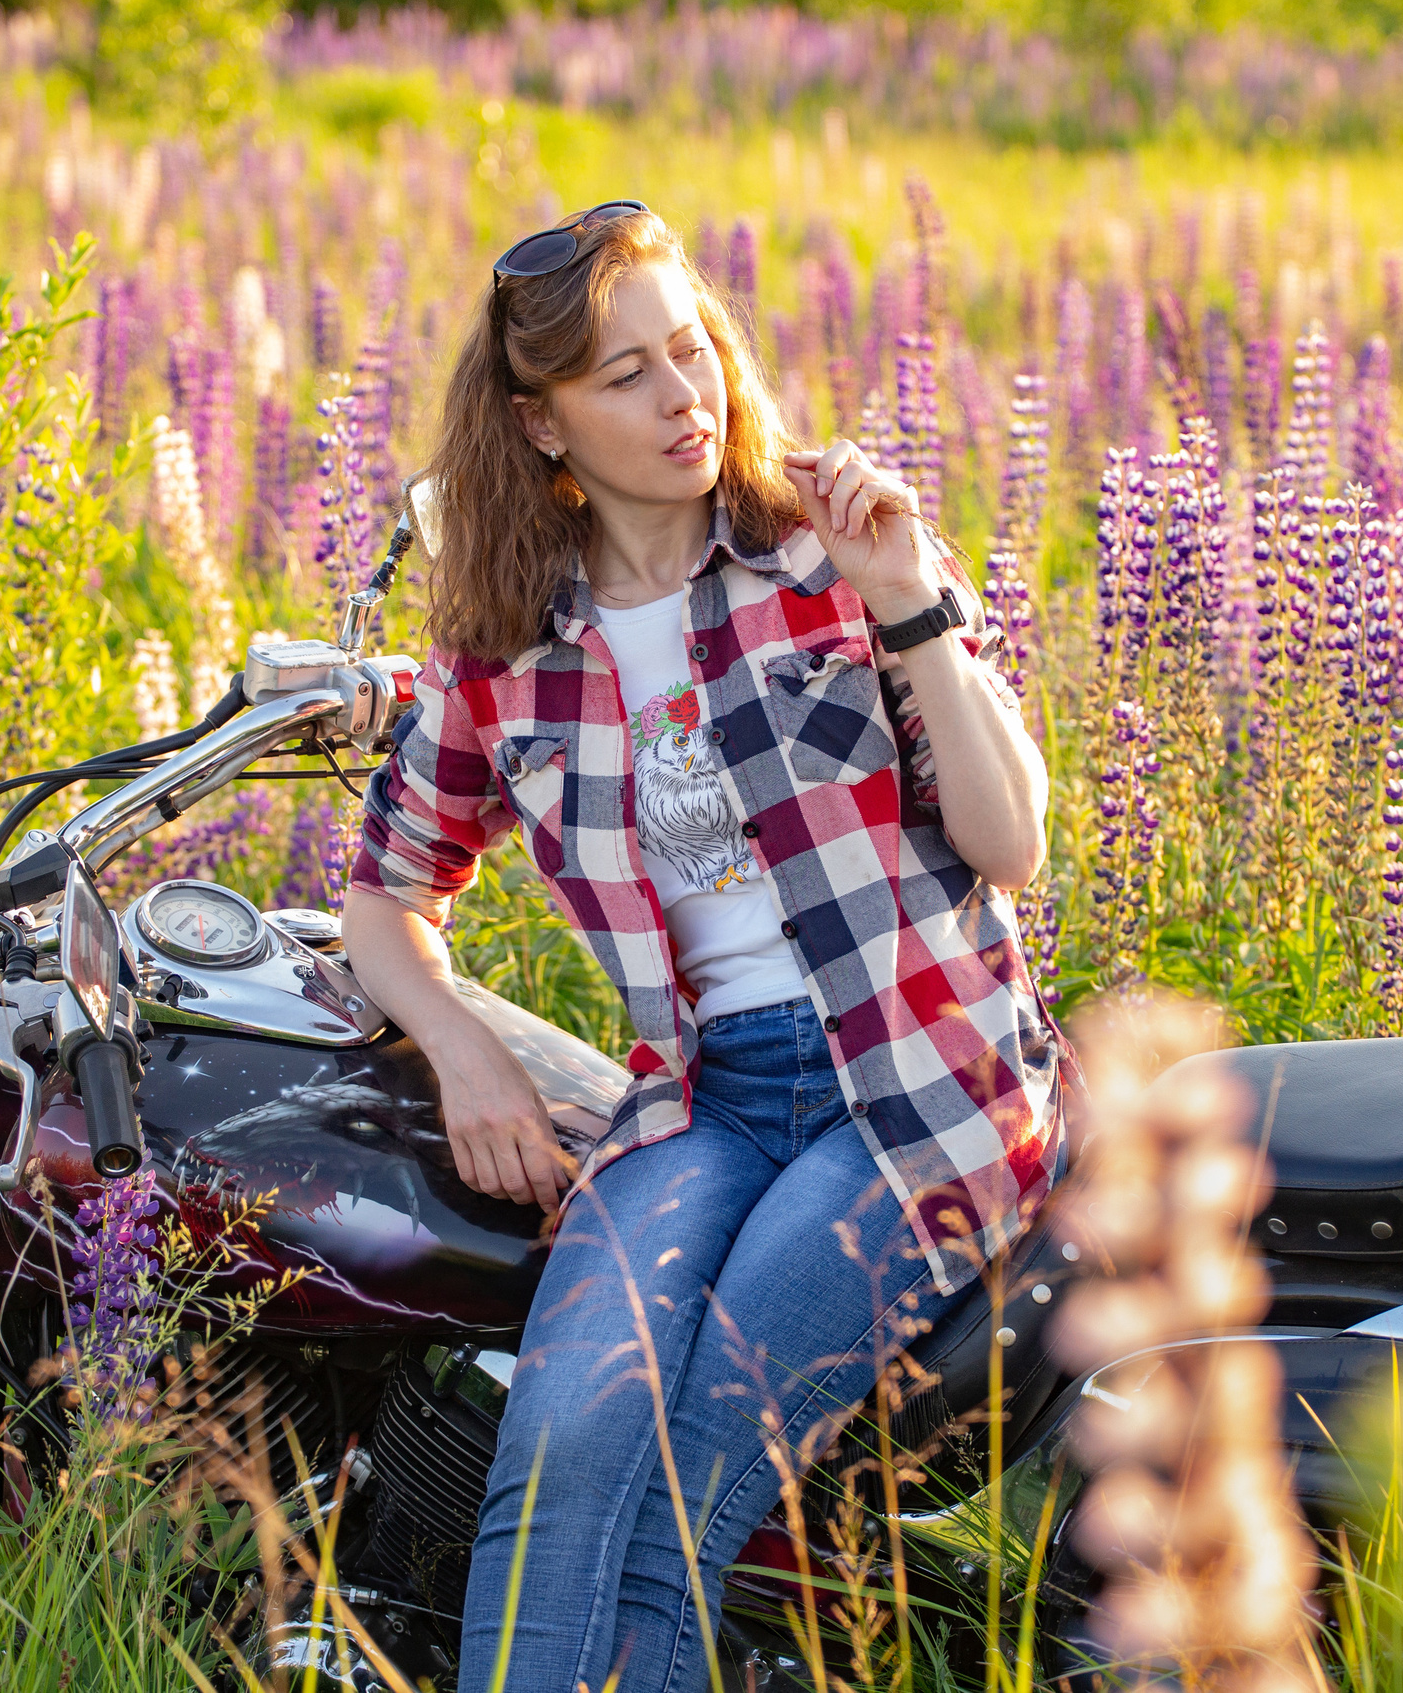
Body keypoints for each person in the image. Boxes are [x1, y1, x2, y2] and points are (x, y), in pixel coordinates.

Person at [343, 200, 1074, 1693]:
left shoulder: (828, 547)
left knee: (690, 1472)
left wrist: (910, 602)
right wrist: (463, 1047)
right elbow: (381, 895)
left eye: (693, 352)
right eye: (626, 377)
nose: (684, 399)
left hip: (924, 1082)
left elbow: (1010, 848)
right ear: (541, 427)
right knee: (557, 1452)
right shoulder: (506, 656)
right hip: (702, 1099)